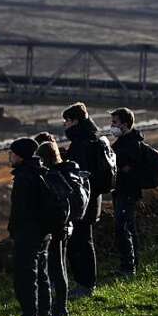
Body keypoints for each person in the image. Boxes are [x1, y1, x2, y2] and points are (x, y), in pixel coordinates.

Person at [61, 101, 108, 298]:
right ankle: (85, 283)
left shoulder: (82, 144)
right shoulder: (92, 138)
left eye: (67, 121)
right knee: (84, 241)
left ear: (75, 121)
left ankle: (85, 285)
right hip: (91, 200)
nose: (65, 125)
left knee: (81, 244)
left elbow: (78, 174)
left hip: (82, 202)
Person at [8, 137, 52, 316]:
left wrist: (14, 232)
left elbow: (19, 211)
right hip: (43, 233)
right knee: (42, 277)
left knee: (26, 281)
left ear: (20, 155)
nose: (10, 156)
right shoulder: (40, 172)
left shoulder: (24, 177)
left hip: (28, 234)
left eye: (12, 152)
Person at [35, 140, 74, 316]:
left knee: (56, 270)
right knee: (61, 268)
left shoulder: (51, 177)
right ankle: (61, 307)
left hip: (55, 230)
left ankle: (59, 308)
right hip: (65, 228)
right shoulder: (64, 172)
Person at [110, 107, 143, 278]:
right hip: (122, 191)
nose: (112, 126)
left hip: (127, 191)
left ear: (125, 124)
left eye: (115, 122)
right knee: (129, 226)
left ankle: (128, 267)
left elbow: (128, 168)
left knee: (122, 228)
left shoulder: (131, 144)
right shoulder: (125, 142)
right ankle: (133, 263)